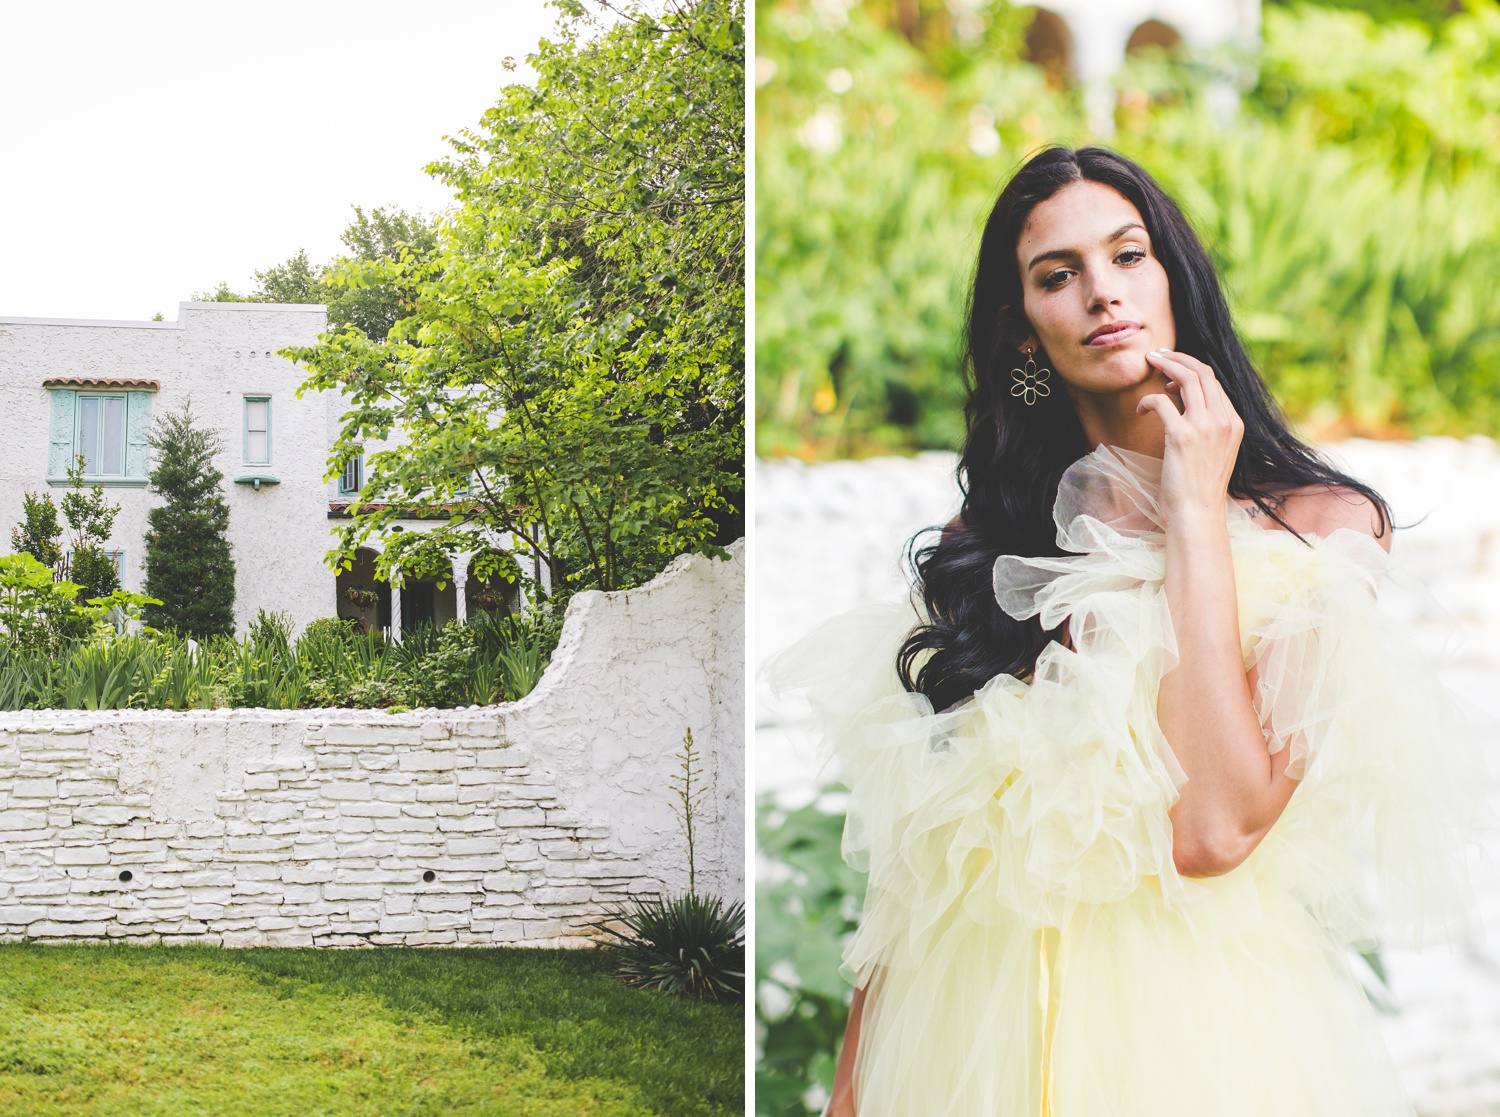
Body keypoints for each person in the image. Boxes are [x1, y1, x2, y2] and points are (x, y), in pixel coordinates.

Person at [774, 146, 1478, 1116]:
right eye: (1057, 275)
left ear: (1174, 279)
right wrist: (850, 1096)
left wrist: (1194, 512)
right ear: (1025, 333)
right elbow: (913, 880)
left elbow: (1215, 826)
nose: (1102, 292)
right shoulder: (986, 552)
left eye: (1128, 256)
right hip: (965, 1054)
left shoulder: (1319, 531)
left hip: (1193, 1050)